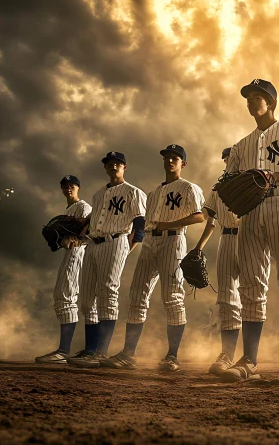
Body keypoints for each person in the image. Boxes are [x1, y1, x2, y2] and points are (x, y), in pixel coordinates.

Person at [219, 79, 279, 384]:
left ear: (272, 103)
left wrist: (274, 176)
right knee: (250, 283)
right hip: (250, 212)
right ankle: (249, 359)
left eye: (258, 97)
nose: (252, 101)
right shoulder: (240, 146)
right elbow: (228, 184)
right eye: (248, 97)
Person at [102, 144, 205, 372]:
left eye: (175, 158)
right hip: (150, 241)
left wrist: (169, 224)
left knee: (172, 297)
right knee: (137, 296)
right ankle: (128, 354)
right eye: (167, 157)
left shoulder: (189, 188)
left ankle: (172, 356)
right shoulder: (154, 193)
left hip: (173, 240)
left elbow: (200, 216)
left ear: (183, 163)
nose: (170, 161)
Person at [68, 152, 146, 368]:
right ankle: (91, 349)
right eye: (109, 164)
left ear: (124, 167)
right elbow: (92, 221)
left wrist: (128, 247)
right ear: (105, 168)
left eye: (117, 164)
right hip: (93, 243)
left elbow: (140, 224)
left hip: (116, 241)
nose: (113, 166)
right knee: (86, 299)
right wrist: (77, 235)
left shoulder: (133, 192)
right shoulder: (98, 194)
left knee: (107, 293)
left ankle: (101, 352)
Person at [193, 147, 242, 375]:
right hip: (226, 238)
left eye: (232, 157)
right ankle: (228, 355)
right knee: (226, 297)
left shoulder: (253, 181)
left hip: (250, 239)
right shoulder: (219, 189)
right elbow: (210, 222)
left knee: (253, 295)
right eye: (225, 158)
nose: (228, 161)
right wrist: (197, 248)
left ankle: (251, 355)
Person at [35, 175, 93, 364]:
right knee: (64, 297)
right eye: (65, 186)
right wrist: (62, 239)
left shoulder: (83, 207)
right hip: (72, 253)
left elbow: (87, 231)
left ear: (78, 188)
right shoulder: (69, 208)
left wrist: (74, 237)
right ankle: (66, 350)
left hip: (79, 252)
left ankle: (64, 351)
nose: (68, 188)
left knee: (65, 297)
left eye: (72, 185)